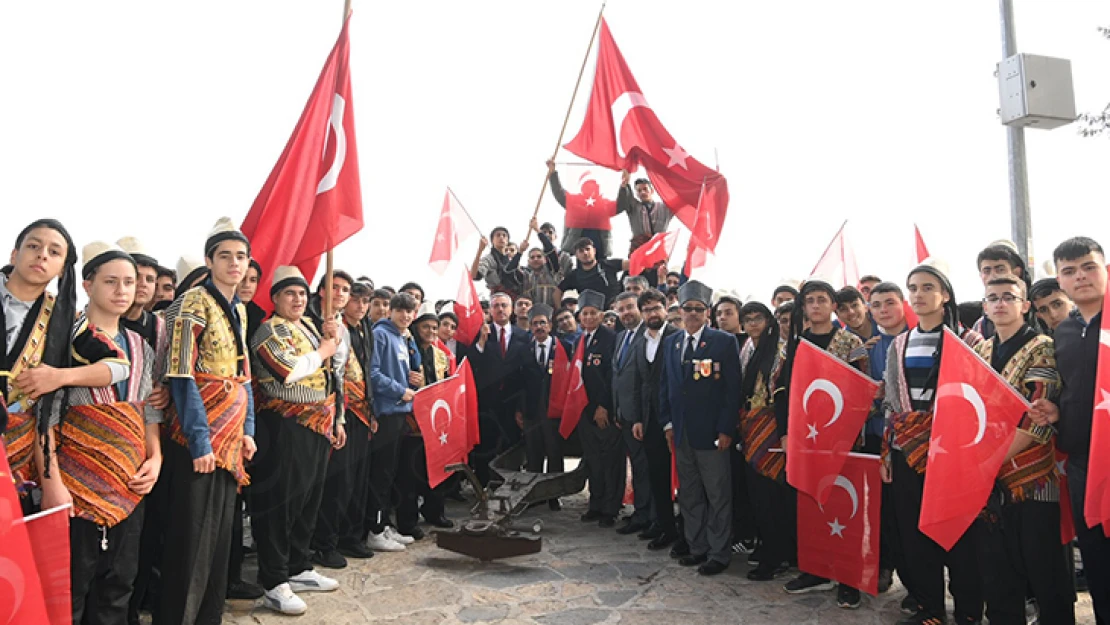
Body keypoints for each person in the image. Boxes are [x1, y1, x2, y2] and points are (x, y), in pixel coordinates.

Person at [157, 218, 257, 625]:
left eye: (241, 256)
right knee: (192, 541)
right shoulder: (191, 303)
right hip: (198, 440)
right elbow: (182, 375)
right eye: (225, 256)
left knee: (218, 540)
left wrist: (247, 431)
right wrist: (201, 442)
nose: (234, 264)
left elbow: (242, 375)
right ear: (209, 260)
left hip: (231, 439)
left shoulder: (240, 310)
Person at [57, 242, 162, 625]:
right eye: (111, 282)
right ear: (87, 285)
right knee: (73, 578)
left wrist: (156, 456)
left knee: (120, 580)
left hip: (130, 475)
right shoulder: (64, 338)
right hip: (75, 472)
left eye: (129, 283)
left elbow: (149, 405)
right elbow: (49, 410)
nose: (121, 291)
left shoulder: (140, 345)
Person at [881, 264, 984, 625]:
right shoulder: (899, 343)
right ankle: (930, 608)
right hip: (907, 450)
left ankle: (969, 609)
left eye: (928, 287)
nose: (919, 294)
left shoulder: (969, 342)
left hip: (954, 454)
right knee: (915, 531)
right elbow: (891, 400)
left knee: (959, 533)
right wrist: (890, 450)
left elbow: (978, 399)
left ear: (946, 295)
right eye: (913, 288)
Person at [973, 276, 1075, 625]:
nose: (1000, 304)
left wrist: (989, 462)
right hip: (991, 474)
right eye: (992, 298)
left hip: (1032, 474)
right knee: (998, 567)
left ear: (1025, 305)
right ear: (984, 306)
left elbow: (1038, 416)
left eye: (1008, 297)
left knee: (1044, 567)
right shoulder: (982, 349)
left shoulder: (1041, 346)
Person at [250, 266, 343, 615]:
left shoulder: (307, 327)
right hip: (285, 424)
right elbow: (288, 370)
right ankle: (274, 580)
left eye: (302, 294)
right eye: (290, 294)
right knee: (282, 502)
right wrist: (323, 350)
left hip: (318, 422)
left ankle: (298, 565)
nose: (298, 299)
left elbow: (333, 369)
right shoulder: (267, 331)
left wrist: (329, 341)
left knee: (308, 500)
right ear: (275, 298)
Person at [1031, 237, 1110, 623]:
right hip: (1081, 463)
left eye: (1089, 267)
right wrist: (1057, 412)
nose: (1080, 276)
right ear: (1060, 280)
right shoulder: (1064, 332)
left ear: (1106, 270)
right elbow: (1078, 392)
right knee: (1096, 559)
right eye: (1069, 271)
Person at [778, 280, 867, 606]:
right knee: (809, 504)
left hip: (843, 441)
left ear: (833, 305)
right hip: (804, 440)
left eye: (822, 300)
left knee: (844, 505)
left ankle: (848, 578)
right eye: (810, 301)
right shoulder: (793, 344)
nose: (815, 306)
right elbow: (781, 391)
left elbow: (862, 391)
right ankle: (816, 569)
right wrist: (785, 433)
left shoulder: (850, 342)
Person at [659, 280, 740, 577]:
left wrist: (725, 429)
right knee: (690, 495)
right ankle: (697, 547)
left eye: (698, 309)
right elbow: (666, 387)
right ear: (680, 311)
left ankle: (719, 553)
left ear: (707, 312)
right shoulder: (672, 342)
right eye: (687, 309)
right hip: (680, 434)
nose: (692, 314)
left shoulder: (722, 342)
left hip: (711, 435)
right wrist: (667, 423)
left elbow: (732, 391)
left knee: (718, 495)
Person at [2, 219, 78, 511]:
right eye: (33, 246)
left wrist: (59, 376)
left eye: (54, 251)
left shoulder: (63, 319)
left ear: (62, 268)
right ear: (14, 254)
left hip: (15, 446)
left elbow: (117, 366)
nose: (42, 254)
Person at [311, 280, 377, 569]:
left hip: (362, 410)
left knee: (357, 480)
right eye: (355, 299)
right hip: (339, 411)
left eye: (364, 301)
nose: (359, 305)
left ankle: (351, 535)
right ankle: (326, 542)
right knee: (338, 482)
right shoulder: (325, 325)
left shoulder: (364, 330)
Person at [737, 302, 791, 582]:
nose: (753, 324)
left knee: (771, 495)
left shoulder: (779, 351)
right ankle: (767, 547)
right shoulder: (746, 348)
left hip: (770, 426)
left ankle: (775, 556)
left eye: (759, 318)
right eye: (748, 319)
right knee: (756, 495)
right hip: (749, 425)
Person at [366, 292, 421, 553]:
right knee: (381, 474)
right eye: (400, 310)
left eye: (410, 311)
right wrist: (400, 391)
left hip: (400, 412)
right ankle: (374, 530)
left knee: (391, 473)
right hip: (386, 411)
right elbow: (373, 373)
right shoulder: (381, 334)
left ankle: (384, 524)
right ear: (391, 311)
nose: (405, 315)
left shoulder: (403, 337)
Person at [866, 281, 910, 593]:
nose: (884, 310)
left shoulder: (921, 339)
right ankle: (885, 567)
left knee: (910, 517)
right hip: (876, 437)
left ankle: (919, 589)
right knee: (883, 515)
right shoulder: (867, 348)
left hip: (912, 441)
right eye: (877, 305)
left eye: (889, 303)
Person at [396, 304, 454, 539]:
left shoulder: (442, 355)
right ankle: (408, 521)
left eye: (434, 327)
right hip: (411, 424)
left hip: (437, 423)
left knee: (438, 471)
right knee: (409, 475)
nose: (430, 331)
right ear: (416, 327)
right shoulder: (407, 350)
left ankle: (434, 511)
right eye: (425, 327)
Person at [629, 288, 680, 550]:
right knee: (657, 476)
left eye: (656, 308)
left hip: (677, 420)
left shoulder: (677, 337)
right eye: (646, 309)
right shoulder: (640, 343)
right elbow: (639, 384)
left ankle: (686, 530)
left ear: (665, 309)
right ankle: (664, 525)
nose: (651, 313)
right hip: (649, 422)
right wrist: (637, 418)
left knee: (684, 479)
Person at [468, 292, 530, 485]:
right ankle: (482, 486)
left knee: (510, 444)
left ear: (511, 310)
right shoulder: (482, 333)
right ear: (490, 310)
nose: (500, 309)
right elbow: (471, 364)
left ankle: (509, 484)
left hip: (512, 401)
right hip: (487, 401)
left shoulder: (523, 335)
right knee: (485, 444)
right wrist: (481, 343)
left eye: (504, 305)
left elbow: (526, 373)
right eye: (496, 306)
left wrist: (522, 406)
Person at [574, 289, 622, 527]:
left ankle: (610, 509)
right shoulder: (579, 340)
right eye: (585, 313)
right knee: (593, 459)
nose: (589, 317)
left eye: (594, 313)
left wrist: (604, 406)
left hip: (604, 411)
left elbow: (612, 376)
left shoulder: (611, 339)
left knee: (610, 461)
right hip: (584, 409)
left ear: (602, 316)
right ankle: (595, 503)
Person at [519, 303, 571, 511]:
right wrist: (519, 409)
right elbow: (519, 383)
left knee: (554, 452)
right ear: (530, 327)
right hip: (532, 410)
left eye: (542, 323)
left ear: (550, 325)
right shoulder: (525, 350)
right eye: (535, 324)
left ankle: (553, 495)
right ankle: (535, 495)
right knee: (533, 453)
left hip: (554, 409)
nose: (539, 327)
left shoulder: (563, 347)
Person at [611, 291, 652, 536]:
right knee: (637, 467)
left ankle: (648, 516)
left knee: (646, 468)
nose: (626, 313)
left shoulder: (647, 337)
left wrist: (638, 416)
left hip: (641, 417)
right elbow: (618, 377)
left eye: (630, 307)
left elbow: (644, 382)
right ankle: (641, 512)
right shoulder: (620, 338)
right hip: (623, 416)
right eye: (621, 309)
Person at [546, 159, 617, 259]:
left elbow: (620, 205)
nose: (591, 188)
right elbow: (559, 193)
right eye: (587, 186)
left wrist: (624, 186)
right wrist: (553, 173)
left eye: (593, 185)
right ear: (582, 187)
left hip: (601, 252)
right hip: (575, 252)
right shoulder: (574, 201)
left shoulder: (604, 203)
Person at [974, 242, 1034, 339]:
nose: (993, 275)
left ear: (1016, 272)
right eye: (987, 271)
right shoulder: (980, 328)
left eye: (1000, 269)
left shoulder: (1037, 312)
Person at [557, 238, 630, 308]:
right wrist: (559, 310)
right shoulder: (575, 275)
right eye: (581, 251)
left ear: (594, 251)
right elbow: (557, 292)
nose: (585, 253)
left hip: (616, 309)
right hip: (593, 315)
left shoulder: (607, 264)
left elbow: (633, 264)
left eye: (587, 249)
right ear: (577, 255)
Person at [617, 172, 675, 241]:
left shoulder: (665, 208)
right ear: (637, 194)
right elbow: (624, 199)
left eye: (645, 189)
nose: (642, 192)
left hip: (658, 247)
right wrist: (624, 184)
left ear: (652, 191)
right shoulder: (633, 207)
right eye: (639, 190)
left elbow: (680, 200)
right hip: (639, 248)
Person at [471, 227, 517, 294]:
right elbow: (474, 275)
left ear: (507, 241)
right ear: (492, 240)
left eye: (504, 235)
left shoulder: (511, 259)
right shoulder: (488, 259)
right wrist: (480, 250)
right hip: (498, 297)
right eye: (498, 235)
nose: (501, 237)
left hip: (514, 296)